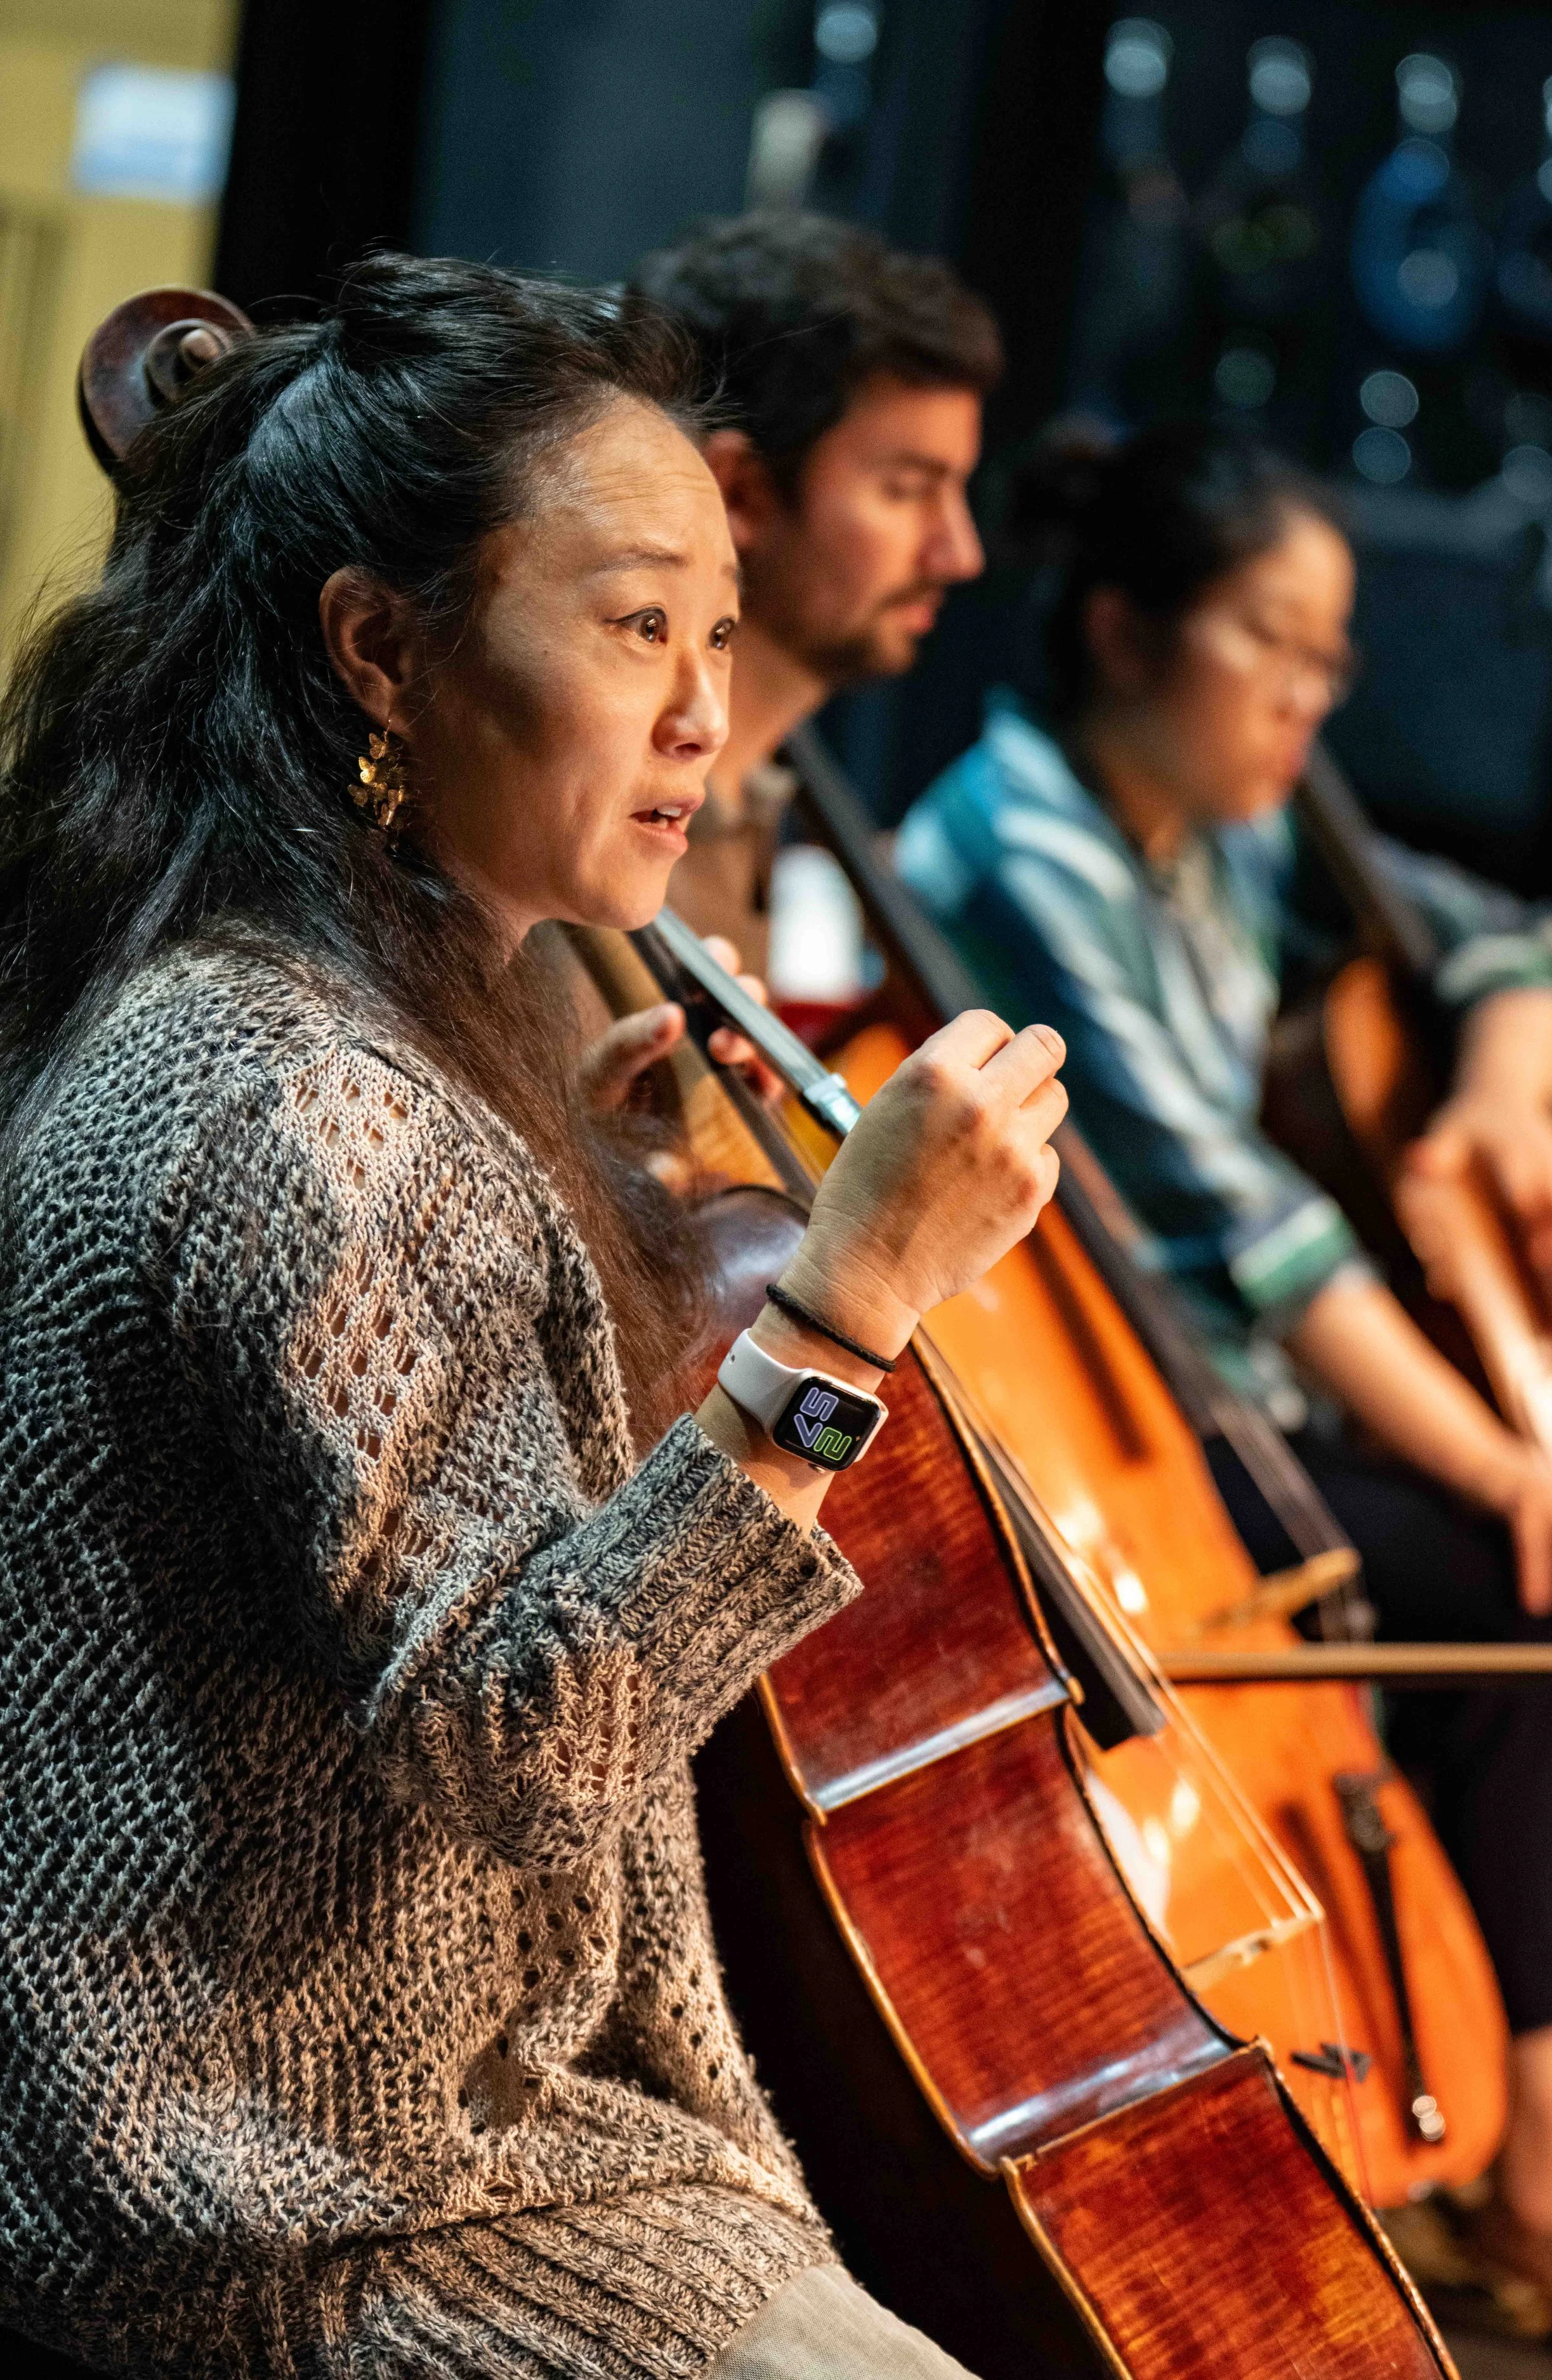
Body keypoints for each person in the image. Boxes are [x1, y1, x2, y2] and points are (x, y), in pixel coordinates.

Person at [0, 254, 1070, 2379]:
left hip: (320, 2138)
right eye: (633, 621)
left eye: (715, 634)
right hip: (288, 2207)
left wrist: (561, 1226)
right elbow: (529, 1754)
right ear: (381, 648)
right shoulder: (315, 1105)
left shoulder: (276, 1015)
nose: (698, 707)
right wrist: (847, 1301)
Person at [894, 418, 1552, 2316]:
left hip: (1251, 1409)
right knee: (1523, 1594)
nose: (1309, 695)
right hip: (1139, 1430)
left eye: (1328, 657)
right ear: (1123, 631)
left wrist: (1504, 1105)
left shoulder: (1228, 822)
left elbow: (1516, 938)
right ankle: (1545, 2149)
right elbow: (1254, 1232)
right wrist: (1517, 1462)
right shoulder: (1011, 842)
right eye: (1269, 643)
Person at [617, 211, 996, 977]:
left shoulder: (751, 800)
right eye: (905, 490)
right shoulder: (607, 828)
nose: (959, 554)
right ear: (740, 494)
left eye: (958, 492)